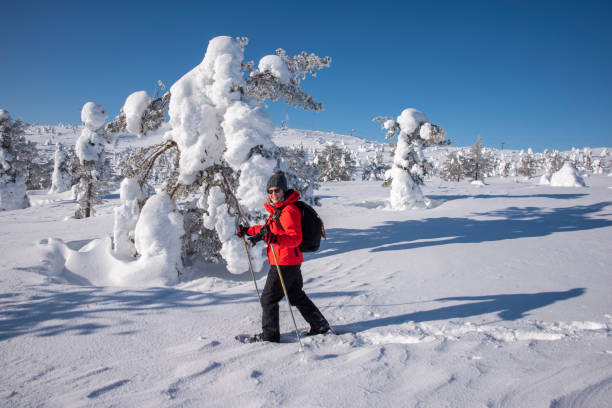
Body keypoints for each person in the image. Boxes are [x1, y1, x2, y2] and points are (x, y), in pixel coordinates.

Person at [237, 171, 330, 343]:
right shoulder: (278, 210)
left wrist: (275, 239)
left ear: (284, 190)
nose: (273, 194)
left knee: (268, 299)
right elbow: (267, 229)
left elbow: (295, 238)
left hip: (284, 262)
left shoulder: (289, 210)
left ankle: (270, 336)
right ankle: (320, 325)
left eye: (277, 190)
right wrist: (248, 231)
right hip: (289, 261)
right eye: (270, 191)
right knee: (295, 295)